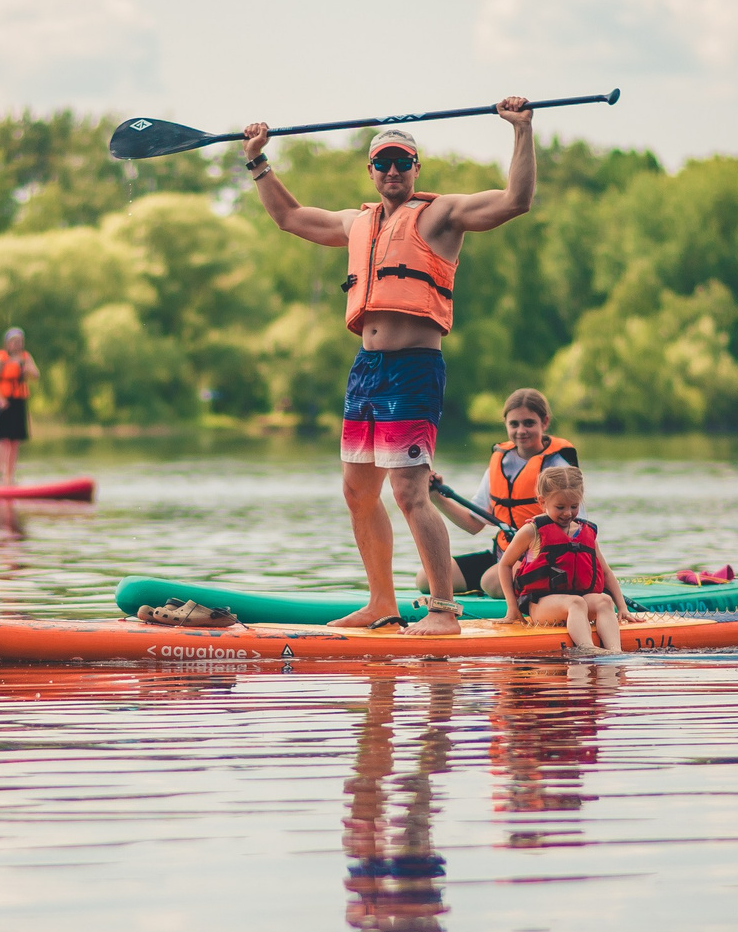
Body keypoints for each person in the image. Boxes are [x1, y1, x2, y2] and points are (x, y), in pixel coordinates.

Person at [240, 101, 539, 635]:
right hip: (366, 372)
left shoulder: (442, 215)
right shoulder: (357, 223)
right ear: (371, 170)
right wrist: (259, 163)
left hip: (414, 369)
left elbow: (517, 200)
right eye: (384, 163)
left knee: (408, 492)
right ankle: (383, 603)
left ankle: (444, 612)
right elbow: (289, 217)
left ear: (417, 168)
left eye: (403, 162)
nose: (393, 171)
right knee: (358, 491)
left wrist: (521, 130)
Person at [430, 387, 577, 594]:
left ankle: (527, 592)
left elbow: (576, 526)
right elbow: (474, 524)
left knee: (490, 581)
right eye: (514, 424)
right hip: (503, 555)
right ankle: (506, 590)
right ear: (506, 424)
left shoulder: (558, 466)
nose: (521, 431)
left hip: (546, 558)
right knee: (428, 578)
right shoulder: (499, 463)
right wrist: (436, 498)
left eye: (529, 423)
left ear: (544, 422)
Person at [493, 464, 632, 653]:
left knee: (604, 601)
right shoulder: (532, 531)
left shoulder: (586, 532)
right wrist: (512, 608)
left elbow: (606, 572)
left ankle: (615, 652)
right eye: (560, 507)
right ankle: (586, 648)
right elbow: (505, 565)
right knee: (575, 602)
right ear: (542, 502)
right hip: (541, 605)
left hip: (578, 602)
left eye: (574, 507)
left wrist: (622, 607)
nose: (568, 513)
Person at [0, 328, 38, 486]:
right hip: (6, 402)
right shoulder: (1, 358)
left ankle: (9, 477)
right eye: (14, 341)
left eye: (20, 341)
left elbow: (36, 375)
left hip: (19, 402)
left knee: (15, 441)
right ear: (8, 343)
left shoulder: (25, 358)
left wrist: (25, 367)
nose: (18, 344)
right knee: (3, 440)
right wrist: (0, 400)